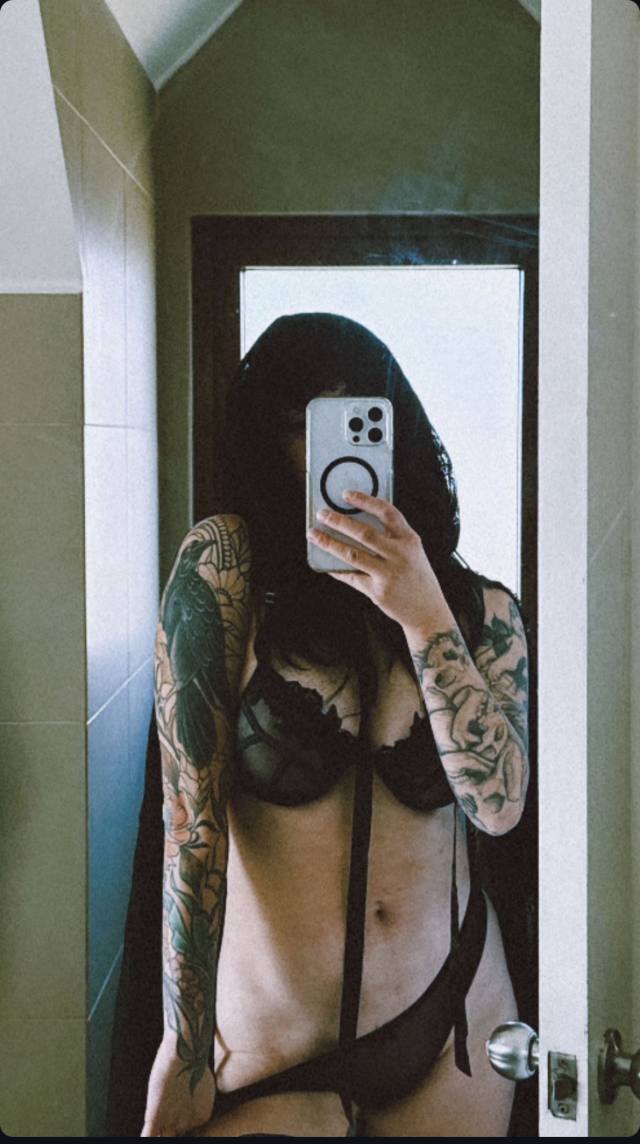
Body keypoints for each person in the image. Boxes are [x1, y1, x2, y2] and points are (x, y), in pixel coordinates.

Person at [140, 313, 531, 1138]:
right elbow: (190, 825)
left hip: (452, 1019)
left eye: (358, 417)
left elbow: (498, 809)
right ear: (263, 443)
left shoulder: (480, 611)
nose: (328, 451)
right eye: (298, 424)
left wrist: (424, 615)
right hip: (277, 1047)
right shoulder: (225, 576)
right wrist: (183, 1045)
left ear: (399, 429)